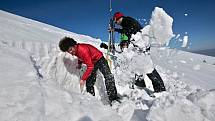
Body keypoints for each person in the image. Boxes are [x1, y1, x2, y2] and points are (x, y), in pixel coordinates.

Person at [113, 12, 166, 93]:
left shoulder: (126, 21)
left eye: (116, 21)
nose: (116, 23)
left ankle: (160, 89)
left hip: (142, 46)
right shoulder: (126, 22)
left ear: (118, 18)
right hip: (139, 46)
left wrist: (115, 30)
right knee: (137, 64)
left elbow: (127, 31)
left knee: (147, 66)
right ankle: (140, 86)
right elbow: (129, 32)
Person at [59, 37, 119, 103]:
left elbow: (90, 66)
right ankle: (91, 101)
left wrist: (83, 79)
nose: (70, 52)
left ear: (74, 45)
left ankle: (113, 99)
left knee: (108, 76)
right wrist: (79, 64)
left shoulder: (83, 50)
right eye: (68, 51)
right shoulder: (76, 50)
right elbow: (80, 57)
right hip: (92, 62)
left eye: (70, 49)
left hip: (100, 59)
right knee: (89, 83)